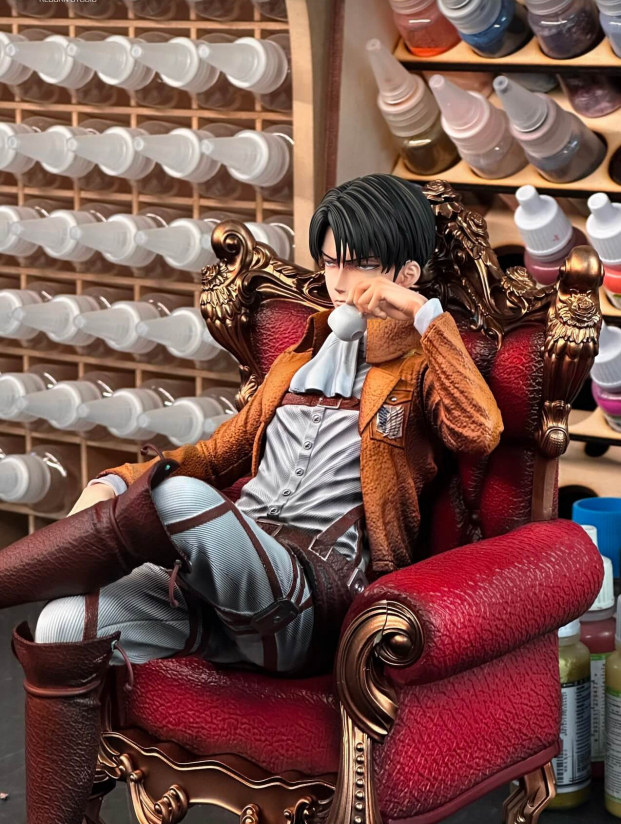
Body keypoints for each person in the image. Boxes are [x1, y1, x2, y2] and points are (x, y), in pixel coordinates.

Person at [0, 174, 503, 824]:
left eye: (360, 265)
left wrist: (423, 315)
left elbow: (478, 430)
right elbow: (217, 454)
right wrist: (118, 481)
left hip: (311, 596)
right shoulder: (295, 363)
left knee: (178, 497)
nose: (340, 282)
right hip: (225, 584)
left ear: (405, 272)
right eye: (330, 262)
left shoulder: (418, 367)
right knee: (60, 626)